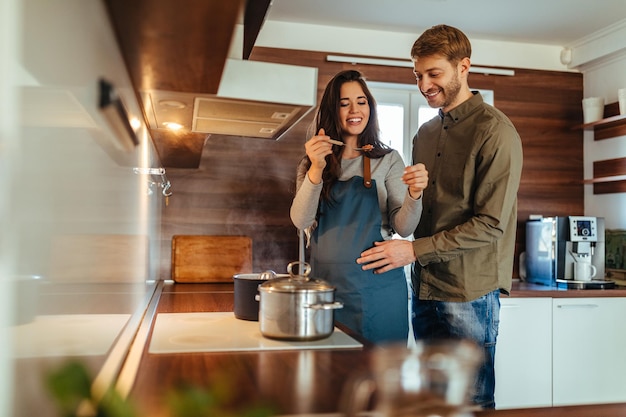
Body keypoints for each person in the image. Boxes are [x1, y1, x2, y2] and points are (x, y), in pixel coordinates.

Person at [356, 25, 523, 408]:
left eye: (434, 74)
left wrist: (412, 251)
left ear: (463, 67)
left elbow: (491, 223)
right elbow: (419, 210)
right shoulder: (424, 134)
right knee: (431, 403)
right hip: (425, 287)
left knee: (472, 402)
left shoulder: (496, 132)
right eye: (418, 75)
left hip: (469, 292)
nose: (424, 85)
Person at [290, 69, 429, 344]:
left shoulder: (388, 159)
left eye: (361, 101)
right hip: (325, 291)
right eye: (344, 103)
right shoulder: (312, 162)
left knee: (381, 379)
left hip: (378, 290)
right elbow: (301, 221)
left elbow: (404, 226)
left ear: (370, 107)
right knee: (332, 378)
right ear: (333, 110)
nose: (355, 110)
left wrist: (415, 193)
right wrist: (317, 168)